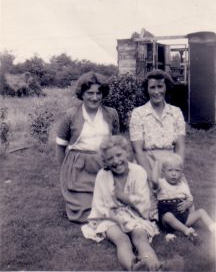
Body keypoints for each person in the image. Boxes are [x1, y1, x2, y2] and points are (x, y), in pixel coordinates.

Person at [81, 136, 184, 271]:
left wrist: (123, 197)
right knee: (121, 239)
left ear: (127, 153)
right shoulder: (103, 175)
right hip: (109, 217)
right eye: (110, 158)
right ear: (105, 161)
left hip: (135, 215)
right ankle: (134, 266)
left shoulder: (138, 171)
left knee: (141, 238)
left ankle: (156, 267)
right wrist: (119, 220)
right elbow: (101, 207)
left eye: (119, 155)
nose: (116, 161)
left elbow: (143, 203)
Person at [56, 71, 120, 223]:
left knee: (111, 208)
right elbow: (60, 146)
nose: (95, 97)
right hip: (78, 168)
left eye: (99, 93)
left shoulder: (111, 113)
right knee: (84, 213)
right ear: (82, 94)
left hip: (103, 166)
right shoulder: (70, 115)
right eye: (90, 93)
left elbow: (116, 142)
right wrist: (64, 171)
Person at [129, 69, 186, 218]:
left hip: (170, 163)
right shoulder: (138, 113)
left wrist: (178, 168)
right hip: (146, 161)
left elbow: (180, 145)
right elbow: (137, 149)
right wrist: (149, 175)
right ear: (146, 89)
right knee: (147, 208)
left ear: (166, 87)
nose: (156, 92)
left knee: (179, 207)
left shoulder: (176, 112)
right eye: (152, 87)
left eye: (160, 87)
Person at [151, 153, 216, 240]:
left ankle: (213, 228)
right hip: (168, 222)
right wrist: (156, 162)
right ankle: (187, 231)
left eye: (177, 170)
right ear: (163, 171)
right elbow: (154, 180)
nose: (174, 174)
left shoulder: (183, 185)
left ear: (181, 172)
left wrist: (187, 204)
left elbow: (190, 199)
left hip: (184, 218)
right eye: (170, 170)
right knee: (168, 216)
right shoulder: (161, 183)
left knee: (201, 212)